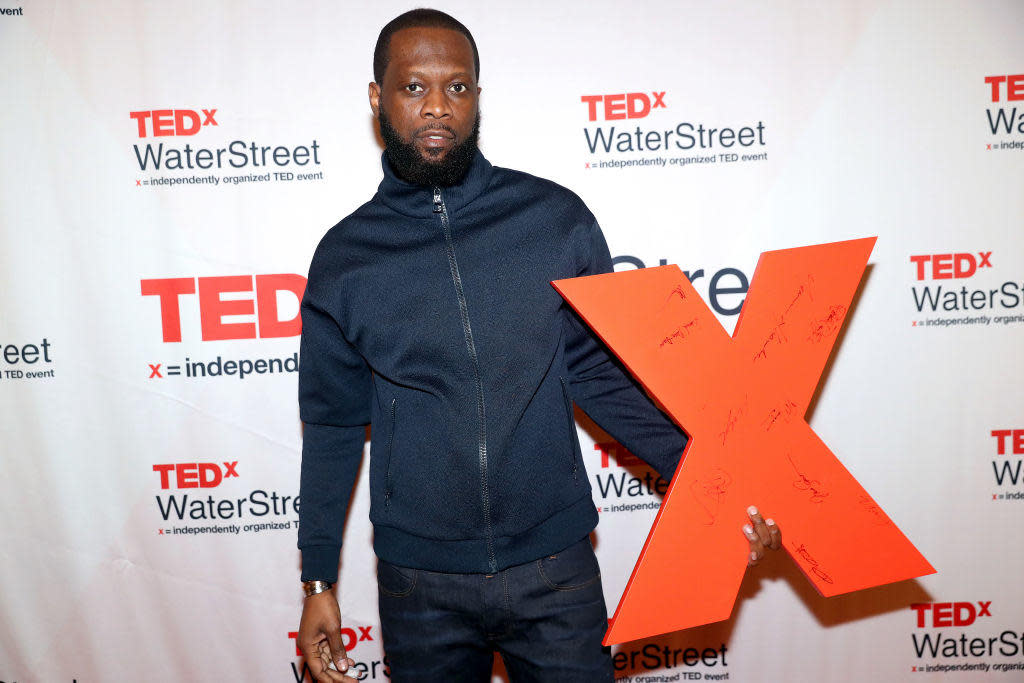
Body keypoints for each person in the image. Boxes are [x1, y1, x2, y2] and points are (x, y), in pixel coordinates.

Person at [295, 9, 781, 683]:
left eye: (457, 87)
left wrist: (718, 486)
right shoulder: (345, 258)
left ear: (478, 97)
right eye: (414, 87)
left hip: (556, 572)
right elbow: (332, 425)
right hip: (420, 585)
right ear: (378, 98)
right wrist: (317, 578)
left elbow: (600, 378)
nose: (438, 105)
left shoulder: (555, 220)